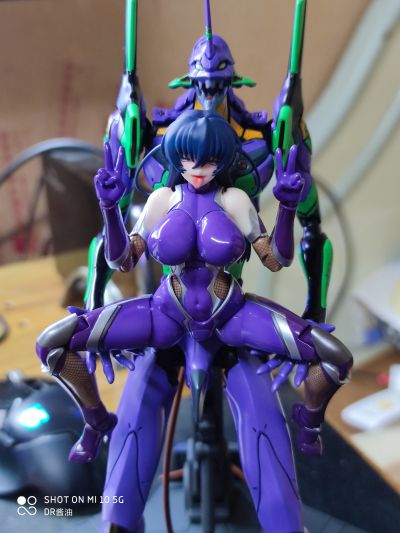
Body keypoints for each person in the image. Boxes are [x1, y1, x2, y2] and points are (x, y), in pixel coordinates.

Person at [36, 111, 352, 533]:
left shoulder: (235, 200)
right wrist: (109, 209)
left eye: (208, 160)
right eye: (188, 159)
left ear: (225, 158)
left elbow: (276, 259)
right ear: (174, 156)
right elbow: (123, 259)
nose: (198, 169)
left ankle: (309, 424)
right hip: (165, 315)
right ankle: (95, 422)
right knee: (54, 344)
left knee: (334, 358)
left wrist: (288, 209)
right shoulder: (161, 200)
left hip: (232, 317)